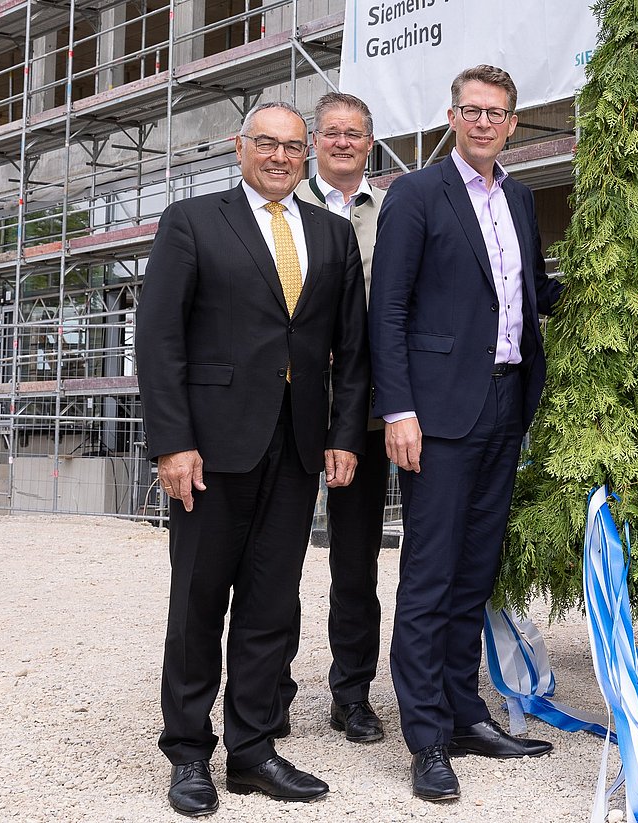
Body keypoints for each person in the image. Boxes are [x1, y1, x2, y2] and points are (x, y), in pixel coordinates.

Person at [138, 100, 369, 816]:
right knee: (199, 601)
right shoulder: (193, 221)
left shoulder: (333, 236)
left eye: (292, 147)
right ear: (240, 147)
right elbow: (159, 339)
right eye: (265, 143)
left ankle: (252, 748)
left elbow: (351, 349)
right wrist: (172, 441)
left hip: (298, 447)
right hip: (209, 447)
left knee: (273, 603)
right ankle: (187, 751)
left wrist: (342, 434)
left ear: (306, 157)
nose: (279, 156)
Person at [370, 65, 561, 802]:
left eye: (498, 112)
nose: (484, 122)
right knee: (428, 577)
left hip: (506, 407)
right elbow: (387, 310)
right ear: (452, 116)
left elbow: (526, 292)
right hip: (438, 415)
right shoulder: (416, 195)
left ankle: (462, 713)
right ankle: (424, 739)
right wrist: (399, 410)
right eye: (472, 110)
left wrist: (603, 293)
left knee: (474, 575)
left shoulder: (519, 196)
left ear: (514, 123)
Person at [279, 91, 390, 745]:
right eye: (331, 132)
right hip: (287, 408)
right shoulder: (284, 209)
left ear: (369, 143)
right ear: (314, 142)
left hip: (365, 415)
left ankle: (351, 695)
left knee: (356, 564)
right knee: (279, 559)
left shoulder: (394, 212)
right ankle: (271, 690)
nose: (343, 141)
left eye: (354, 132)